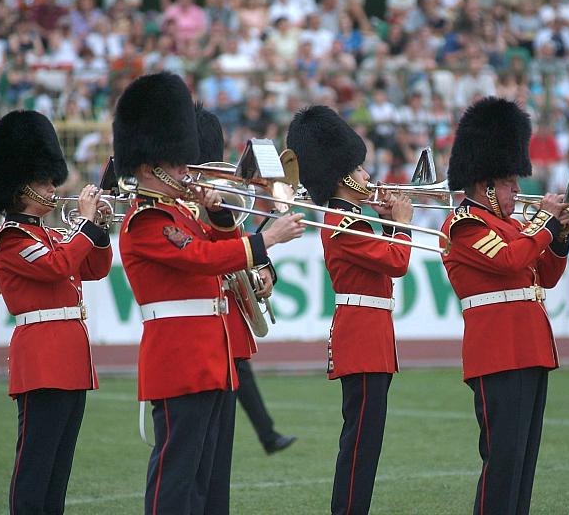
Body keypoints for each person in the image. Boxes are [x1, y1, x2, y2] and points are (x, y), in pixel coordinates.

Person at [113, 71, 303, 514]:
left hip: (211, 358)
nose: (186, 169)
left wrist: (218, 215)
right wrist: (266, 240)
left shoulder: (179, 214)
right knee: (177, 477)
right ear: (149, 165)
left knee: (210, 479)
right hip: (180, 359)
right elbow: (200, 259)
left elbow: (214, 245)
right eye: (177, 162)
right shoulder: (146, 220)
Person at [439, 97, 569, 515]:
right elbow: (510, 260)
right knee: (503, 462)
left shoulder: (513, 225)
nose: (519, 189)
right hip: (498, 353)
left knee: (524, 464)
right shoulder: (465, 224)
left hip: (529, 348)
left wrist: (560, 237)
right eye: (511, 183)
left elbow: (543, 276)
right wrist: (544, 224)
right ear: (485, 187)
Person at [287, 105, 413, 515]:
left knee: (366, 444)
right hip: (361, 336)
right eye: (359, 170)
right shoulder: (342, 223)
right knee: (359, 445)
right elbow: (397, 262)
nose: (367, 176)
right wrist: (403, 222)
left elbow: (387, 260)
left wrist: (389, 222)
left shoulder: (355, 220)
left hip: (372, 334)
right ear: (341, 176)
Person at [0, 110, 112, 514]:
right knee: (35, 468)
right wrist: (86, 228)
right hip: (41, 361)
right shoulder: (11, 239)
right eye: (43, 181)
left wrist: (101, 230)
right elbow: (57, 266)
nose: (51, 186)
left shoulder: (53, 233)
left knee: (58, 471)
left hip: (71, 360)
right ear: (22, 187)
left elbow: (94, 268)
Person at [194, 102, 297, 459]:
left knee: (217, 453)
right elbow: (210, 254)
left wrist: (267, 273)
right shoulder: (186, 209)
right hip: (202, 327)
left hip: (231, 320)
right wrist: (264, 242)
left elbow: (240, 242)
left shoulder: (222, 196)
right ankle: (268, 434)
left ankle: (267, 434)